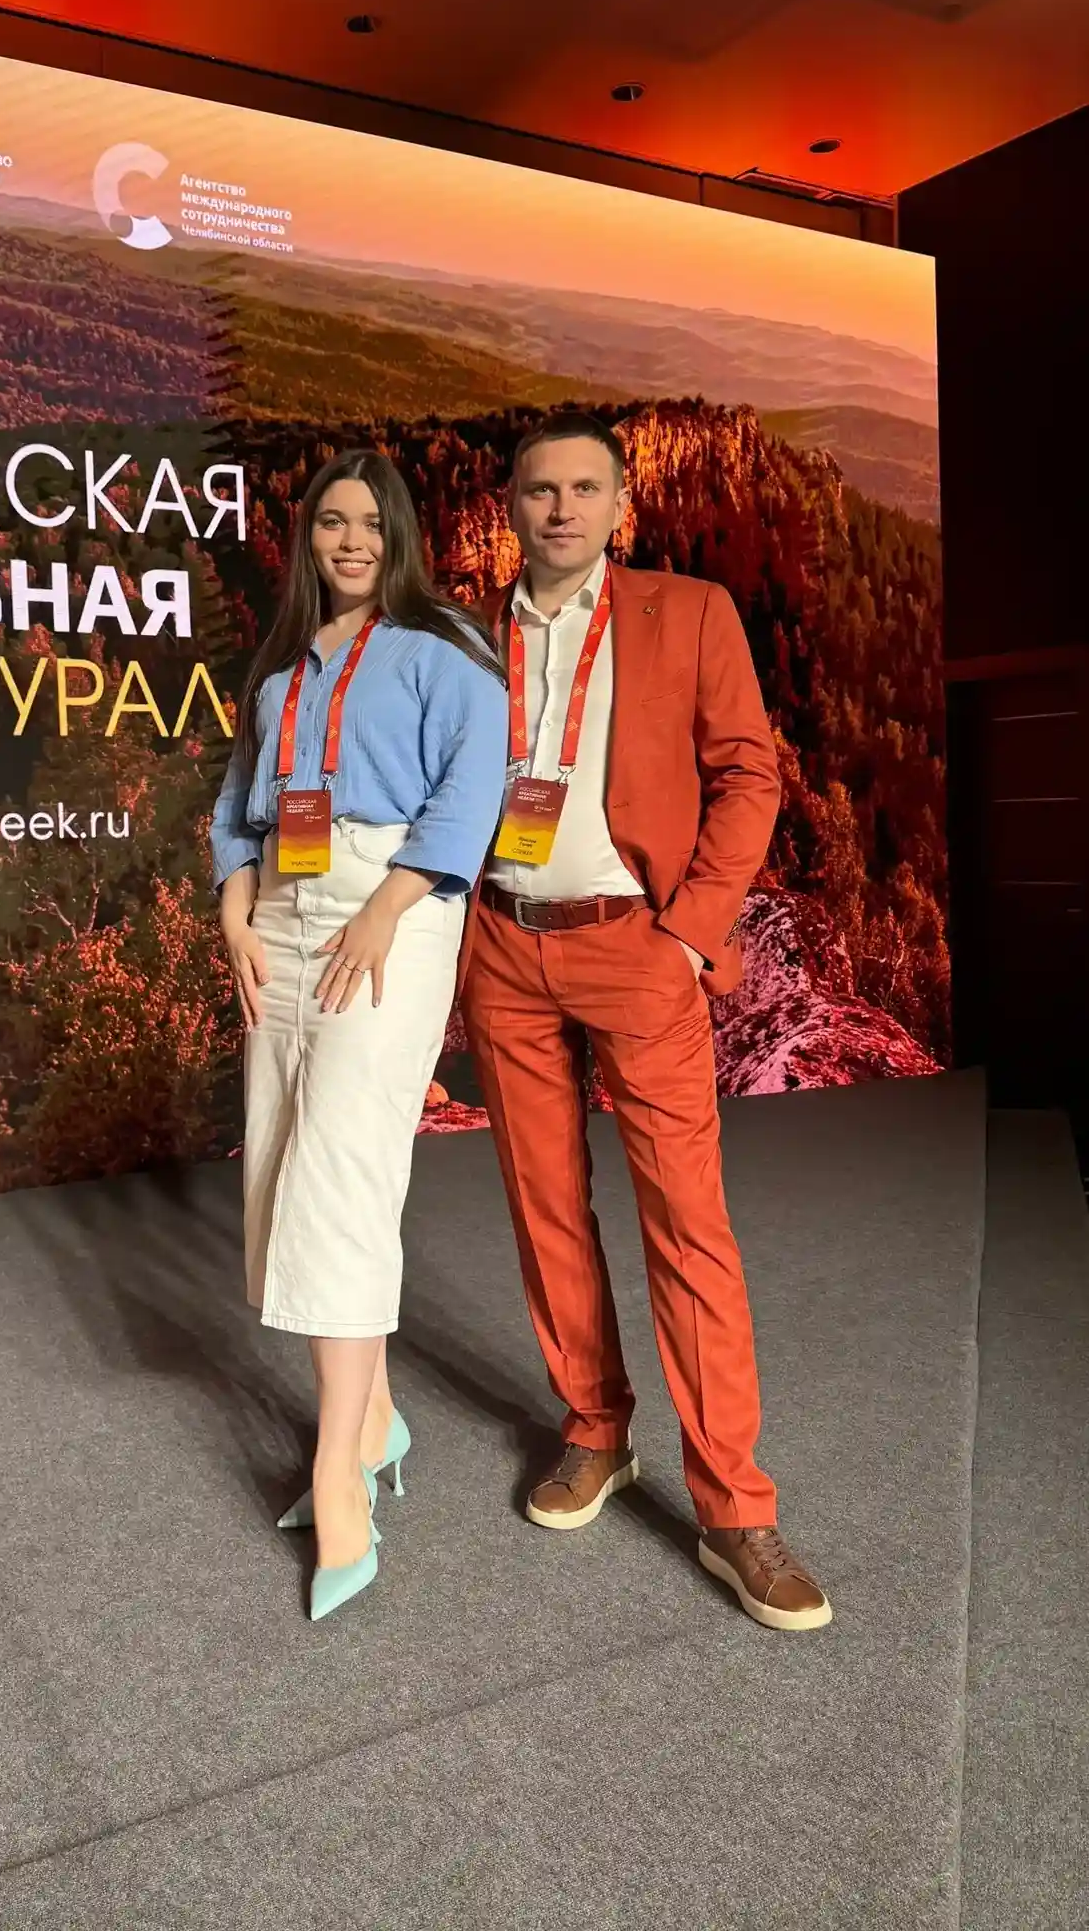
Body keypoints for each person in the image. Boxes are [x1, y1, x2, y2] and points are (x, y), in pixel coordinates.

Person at [460, 412, 832, 1631]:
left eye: (585, 489)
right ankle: (595, 1430)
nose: (562, 508)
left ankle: (735, 1508)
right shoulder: (467, 634)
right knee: (546, 1209)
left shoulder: (690, 612)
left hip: (638, 945)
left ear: (620, 504)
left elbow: (749, 776)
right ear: (510, 507)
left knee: (687, 1223)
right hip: (505, 944)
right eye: (540, 490)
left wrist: (689, 935)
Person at [211, 450, 507, 1622]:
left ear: (401, 536)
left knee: (341, 1177)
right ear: (308, 539)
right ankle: (376, 1419)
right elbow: (239, 802)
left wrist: (391, 905)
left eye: (370, 523)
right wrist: (234, 904)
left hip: (389, 910)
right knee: (283, 1167)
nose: (349, 542)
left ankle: (340, 1471)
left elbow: (473, 790)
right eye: (330, 522)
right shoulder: (283, 662)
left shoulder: (445, 646)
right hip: (283, 915)